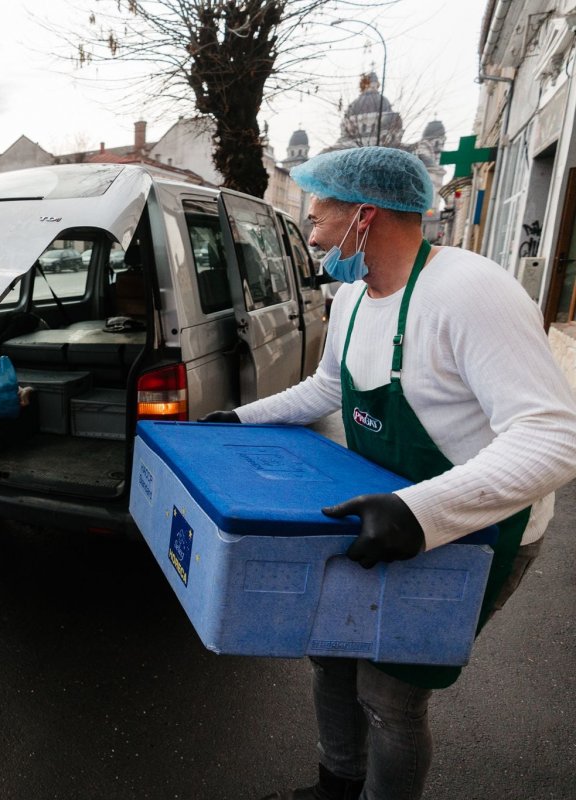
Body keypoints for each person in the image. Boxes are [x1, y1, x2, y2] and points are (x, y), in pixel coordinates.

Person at [203, 146, 576, 800]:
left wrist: (422, 513)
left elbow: (553, 437)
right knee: (332, 653)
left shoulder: (470, 291)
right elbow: (324, 390)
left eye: (318, 219)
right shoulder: (352, 299)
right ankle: (336, 785)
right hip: (386, 511)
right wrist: (238, 420)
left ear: (365, 217)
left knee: (390, 693)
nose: (312, 235)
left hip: (479, 527)